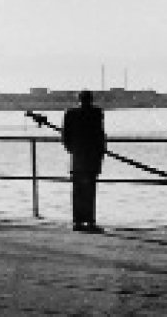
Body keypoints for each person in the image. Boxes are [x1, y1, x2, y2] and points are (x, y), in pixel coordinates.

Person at [62, 90, 106, 232]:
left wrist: (73, 150)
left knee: (78, 190)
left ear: (79, 99)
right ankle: (89, 221)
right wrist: (101, 152)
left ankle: (78, 222)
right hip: (92, 157)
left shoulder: (70, 113)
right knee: (90, 190)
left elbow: (65, 137)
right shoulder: (96, 113)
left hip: (78, 157)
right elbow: (100, 134)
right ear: (91, 100)